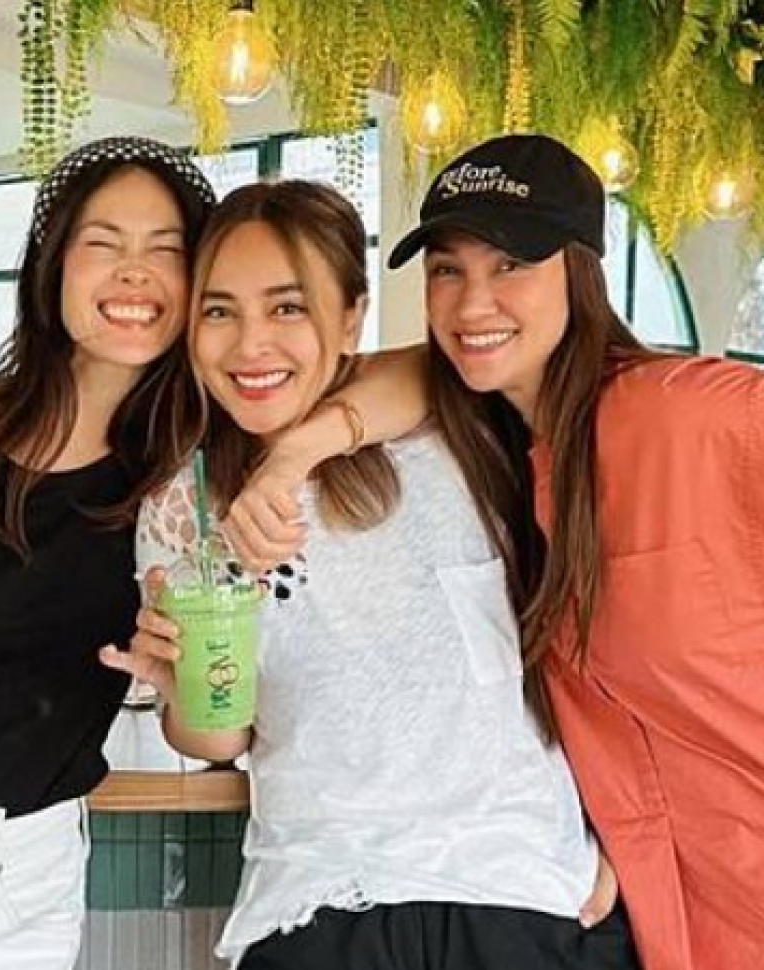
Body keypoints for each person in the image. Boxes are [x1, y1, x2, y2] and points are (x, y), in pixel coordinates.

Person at [228, 135, 764, 970]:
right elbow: (387, 373)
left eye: (511, 264)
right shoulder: (509, 453)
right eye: (447, 269)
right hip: (682, 912)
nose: (473, 302)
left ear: (580, 270)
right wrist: (298, 454)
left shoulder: (690, 415)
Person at [104, 178, 640, 970]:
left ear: (353, 316)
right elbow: (219, 736)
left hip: (519, 887)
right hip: (319, 897)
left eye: (288, 308)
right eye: (219, 312)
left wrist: (295, 456)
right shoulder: (182, 506)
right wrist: (178, 685)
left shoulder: (456, 426)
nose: (251, 345)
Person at [0, 135, 216, 970]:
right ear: (53, 266)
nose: (134, 274)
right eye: (104, 244)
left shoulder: (182, 488)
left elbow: (208, 734)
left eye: (166, 251)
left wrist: (181, 682)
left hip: (28, 869)